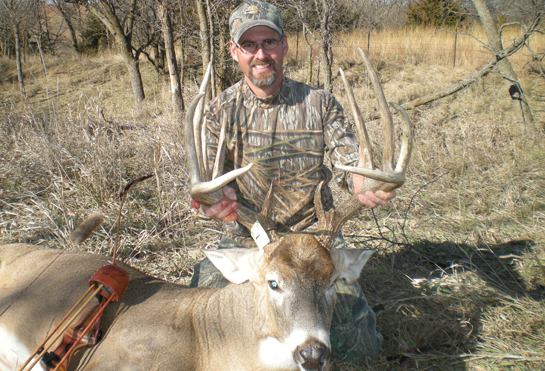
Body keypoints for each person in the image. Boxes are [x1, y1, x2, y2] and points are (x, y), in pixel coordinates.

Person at [189, 0, 395, 364]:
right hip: (250, 240)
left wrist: (363, 185)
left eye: (269, 42)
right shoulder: (218, 112)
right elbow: (205, 182)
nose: (261, 54)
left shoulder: (320, 103)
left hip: (316, 241)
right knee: (199, 329)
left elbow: (352, 167)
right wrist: (211, 201)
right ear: (234, 51)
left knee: (359, 349)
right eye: (249, 45)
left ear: (284, 46)